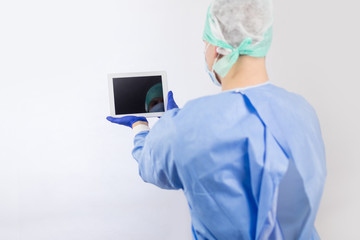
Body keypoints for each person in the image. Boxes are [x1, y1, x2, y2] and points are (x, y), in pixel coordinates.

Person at [107, 0, 327, 239]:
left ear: (219, 49)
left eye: (205, 43)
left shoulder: (187, 125)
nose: (205, 51)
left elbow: (150, 165)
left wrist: (141, 127)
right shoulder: (302, 109)